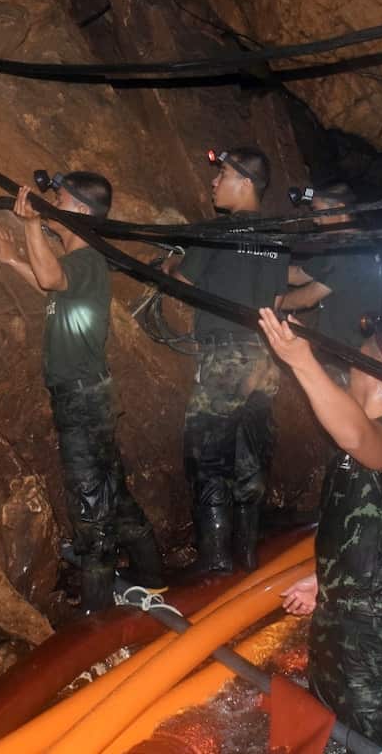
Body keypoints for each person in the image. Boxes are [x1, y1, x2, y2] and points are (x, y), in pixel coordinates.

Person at [0, 179, 164, 614]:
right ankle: (154, 579)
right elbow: (53, 288)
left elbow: (51, 276)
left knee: (89, 505)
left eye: (60, 200)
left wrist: (28, 226)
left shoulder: (84, 255)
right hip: (87, 395)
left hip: (81, 399)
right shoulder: (83, 263)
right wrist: (12, 260)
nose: (52, 204)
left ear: (80, 211)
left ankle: (96, 615)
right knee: (112, 494)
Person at [261, 308, 382, 753]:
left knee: (374, 745)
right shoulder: (358, 437)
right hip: (339, 623)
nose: (348, 365)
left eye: (356, 360)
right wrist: (322, 581)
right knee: (329, 733)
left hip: (373, 638)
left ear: (378, 374)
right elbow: (367, 528)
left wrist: (302, 361)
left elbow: (357, 437)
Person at [164, 147, 290, 573]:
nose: (213, 183)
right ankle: (250, 556)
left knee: (207, 457)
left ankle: (216, 560)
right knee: (249, 456)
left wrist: (171, 260)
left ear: (246, 182)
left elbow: (182, 283)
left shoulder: (215, 232)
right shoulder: (277, 237)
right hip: (265, 358)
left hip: (224, 357)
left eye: (222, 176)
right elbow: (275, 300)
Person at [277, 183, 382, 360]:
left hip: (346, 353)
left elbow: (307, 298)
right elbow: (298, 275)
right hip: (338, 347)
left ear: (339, 210)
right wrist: (261, 266)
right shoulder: (345, 246)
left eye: (317, 211)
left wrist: (267, 301)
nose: (315, 220)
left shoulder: (354, 251)